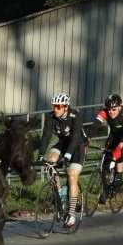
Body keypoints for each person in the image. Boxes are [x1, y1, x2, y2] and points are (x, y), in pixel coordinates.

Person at [38, 92, 85, 228]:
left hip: (77, 146)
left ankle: (71, 214)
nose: (55, 109)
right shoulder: (50, 116)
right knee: (49, 160)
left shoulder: (74, 115)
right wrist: (41, 154)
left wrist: (68, 155)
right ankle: (58, 195)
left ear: (65, 107)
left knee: (72, 175)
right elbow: (46, 136)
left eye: (58, 106)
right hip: (63, 143)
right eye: (54, 106)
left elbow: (76, 137)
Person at [91, 93, 123, 203]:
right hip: (114, 134)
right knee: (105, 163)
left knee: (118, 149)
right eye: (109, 109)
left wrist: (122, 144)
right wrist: (87, 137)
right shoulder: (105, 112)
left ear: (120, 107)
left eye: (114, 109)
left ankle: (119, 177)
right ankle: (107, 192)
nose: (111, 112)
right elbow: (95, 125)